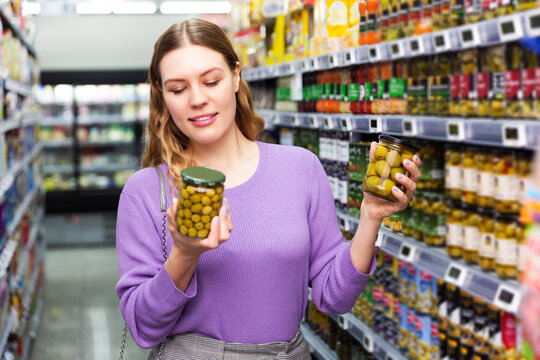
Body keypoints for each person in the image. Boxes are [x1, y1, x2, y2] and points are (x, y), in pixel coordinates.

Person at [115, 18, 421, 359]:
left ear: (235, 75)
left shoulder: (299, 168)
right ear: (162, 96)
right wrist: (184, 254)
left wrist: (370, 218)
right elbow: (143, 327)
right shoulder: (144, 192)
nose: (197, 99)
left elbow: (334, 297)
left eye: (211, 80)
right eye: (178, 89)